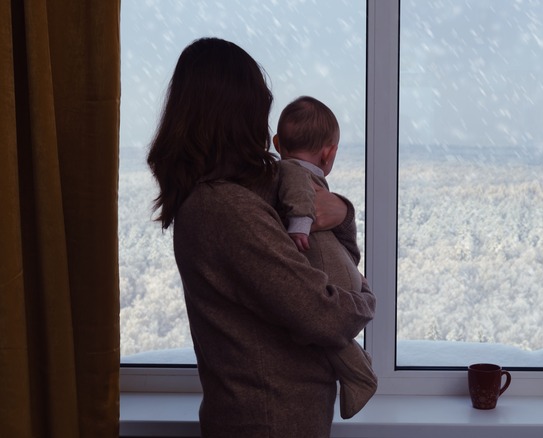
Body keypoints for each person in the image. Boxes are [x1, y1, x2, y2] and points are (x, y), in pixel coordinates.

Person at [146, 37, 376, 438]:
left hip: (268, 415)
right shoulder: (225, 209)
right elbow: (321, 315)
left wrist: (343, 210)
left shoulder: (228, 196)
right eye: (258, 110)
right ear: (236, 115)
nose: (264, 126)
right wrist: (366, 301)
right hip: (269, 420)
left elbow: (306, 207)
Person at [273, 96, 378, 419]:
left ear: (277, 143)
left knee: (326, 329)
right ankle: (360, 376)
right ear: (329, 152)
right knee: (330, 329)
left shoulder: (286, 168)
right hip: (336, 270)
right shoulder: (296, 172)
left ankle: (360, 377)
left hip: (333, 269)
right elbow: (300, 196)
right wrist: (301, 226)